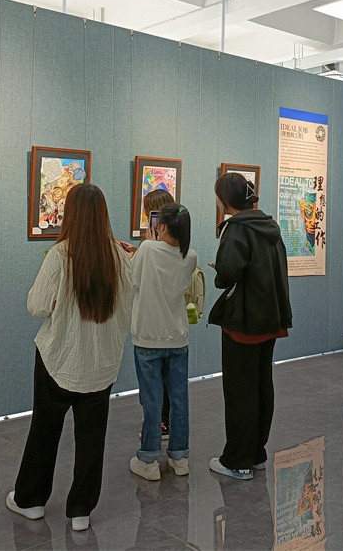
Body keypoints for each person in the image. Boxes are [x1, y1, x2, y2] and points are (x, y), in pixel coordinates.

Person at [6, 183, 133, 532]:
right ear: (104, 215)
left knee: (44, 432)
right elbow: (126, 308)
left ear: (70, 215)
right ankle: (81, 510)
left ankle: (31, 500)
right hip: (101, 363)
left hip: (58, 360)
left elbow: (36, 306)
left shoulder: (60, 256)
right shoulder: (119, 257)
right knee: (92, 438)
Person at [208, 173, 292, 480]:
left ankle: (237, 460)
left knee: (240, 391)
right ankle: (257, 453)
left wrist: (220, 271)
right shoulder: (270, 226)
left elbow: (229, 273)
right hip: (270, 318)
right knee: (261, 385)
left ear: (225, 200)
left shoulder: (236, 229)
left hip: (243, 322)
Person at [129, 203, 197, 481]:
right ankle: (180, 457)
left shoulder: (147, 249)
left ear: (162, 226)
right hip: (177, 337)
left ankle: (148, 459)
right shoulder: (190, 255)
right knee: (179, 399)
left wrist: (145, 245)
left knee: (152, 400)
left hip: (148, 337)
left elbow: (133, 280)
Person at [141, 188, 176, 438]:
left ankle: (158, 427)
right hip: (174, 326)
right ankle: (168, 425)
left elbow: (139, 279)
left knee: (155, 381)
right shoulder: (183, 248)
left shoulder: (153, 248)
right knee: (170, 381)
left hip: (154, 325)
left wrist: (147, 248)